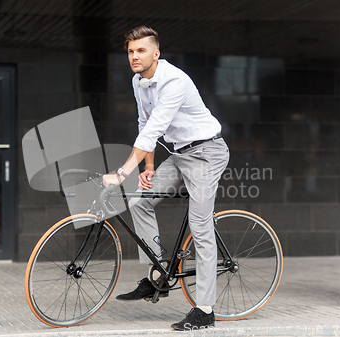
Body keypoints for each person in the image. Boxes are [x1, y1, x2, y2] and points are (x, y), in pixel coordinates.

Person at [103, 26, 230, 331]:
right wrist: (148, 167)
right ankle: (158, 275)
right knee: (139, 201)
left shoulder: (174, 81)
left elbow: (154, 129)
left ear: (156, 53)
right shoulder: (138, 82)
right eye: (131, 51)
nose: (135, 56)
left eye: (141, 50)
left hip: (207, 153)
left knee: (200, 226)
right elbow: (144, 123)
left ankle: (205, 310)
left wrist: (123, 173)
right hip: (179, 154)